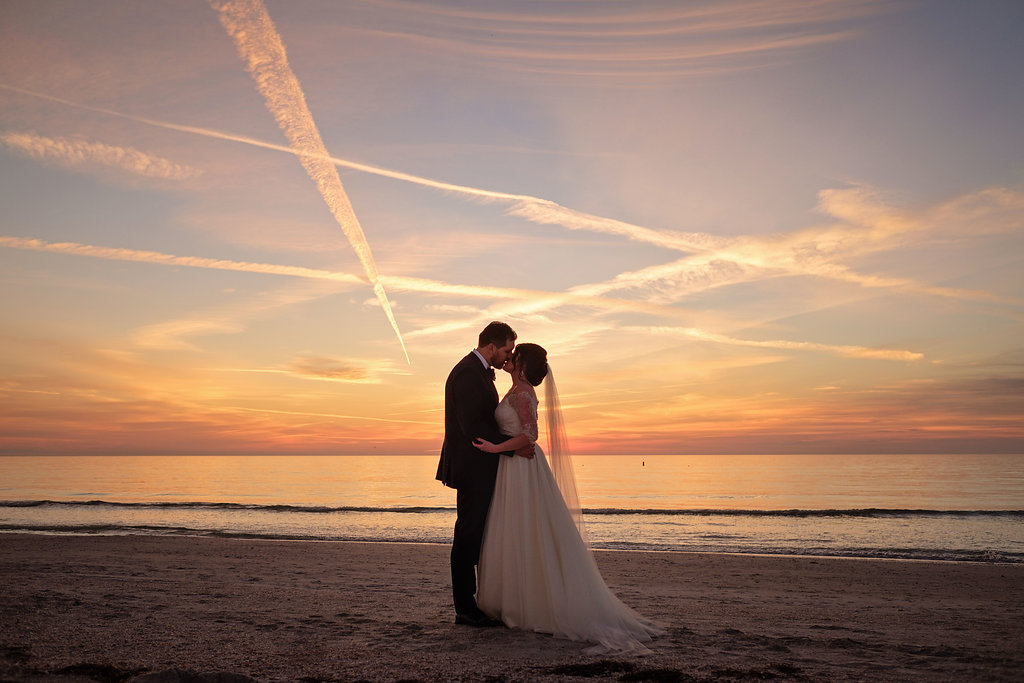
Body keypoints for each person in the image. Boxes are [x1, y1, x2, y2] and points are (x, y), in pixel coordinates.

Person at [473, 343, 663, 653]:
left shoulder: (523, 393)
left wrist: (495, 448)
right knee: (515, 528)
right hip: (512, 468)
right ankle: (514, 598)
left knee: (529, 528)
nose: (508, 358)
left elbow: (530, 434)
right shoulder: (514, 390)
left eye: (513, 355)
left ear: (520, 363)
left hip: (523, 468)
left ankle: (531, 602)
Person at [436, 321, 534, 627]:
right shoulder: (467, 373)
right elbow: (473, 428)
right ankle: (465, 608)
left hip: (481, 465)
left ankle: (477, 601)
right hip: (472, 467)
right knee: (467, 536)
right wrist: (512, 449)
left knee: (479, 535)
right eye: (506, 350)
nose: (508, 357)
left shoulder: (478, 371)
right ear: (490, 347)